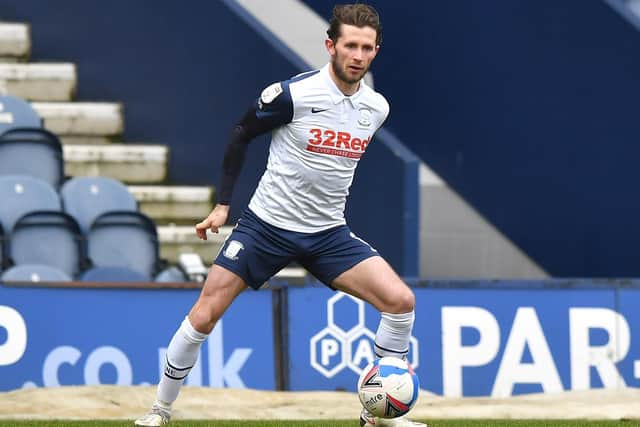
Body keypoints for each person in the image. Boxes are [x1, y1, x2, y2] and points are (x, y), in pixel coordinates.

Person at [135, 3, 425, 427]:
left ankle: (377, 414)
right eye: (350, 45)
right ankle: (159, 410)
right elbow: (240, 133)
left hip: (327, 233)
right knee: (204, 314)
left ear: (376, 51)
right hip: (266, 228)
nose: (358, 55)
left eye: (367, 47)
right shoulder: (293, 94)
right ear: (331, 46)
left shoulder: (375, 109)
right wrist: (222, 206)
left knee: (400, 302)